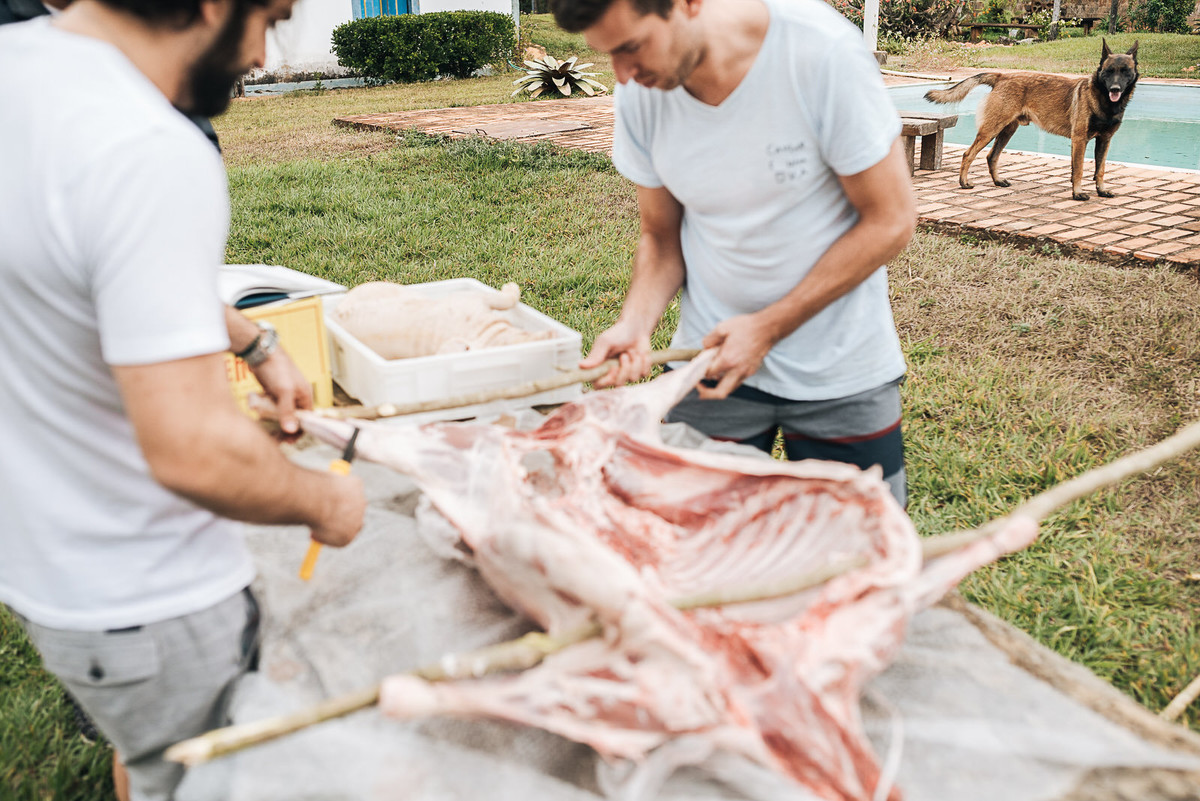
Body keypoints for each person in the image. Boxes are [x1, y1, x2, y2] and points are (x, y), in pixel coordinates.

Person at [0, 2, 366, 800]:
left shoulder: (17, 68)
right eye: (267, 19)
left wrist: (250, 338)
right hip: (156, 603)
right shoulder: (149, 147)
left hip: (52, 579)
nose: (265, 55)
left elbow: (80, 268)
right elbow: (193, 447)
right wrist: (324, 505)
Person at [555, 0, 916, 504]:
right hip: (711, 365)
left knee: (861, 554)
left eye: (631, 47)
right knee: (687, 544)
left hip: (839, 370)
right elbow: (661, 237)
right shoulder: (640, 92)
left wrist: (767, 327)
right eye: (608, 55)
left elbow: (890, 220)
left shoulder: (820, 52)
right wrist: (635, 324)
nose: (623, 75)